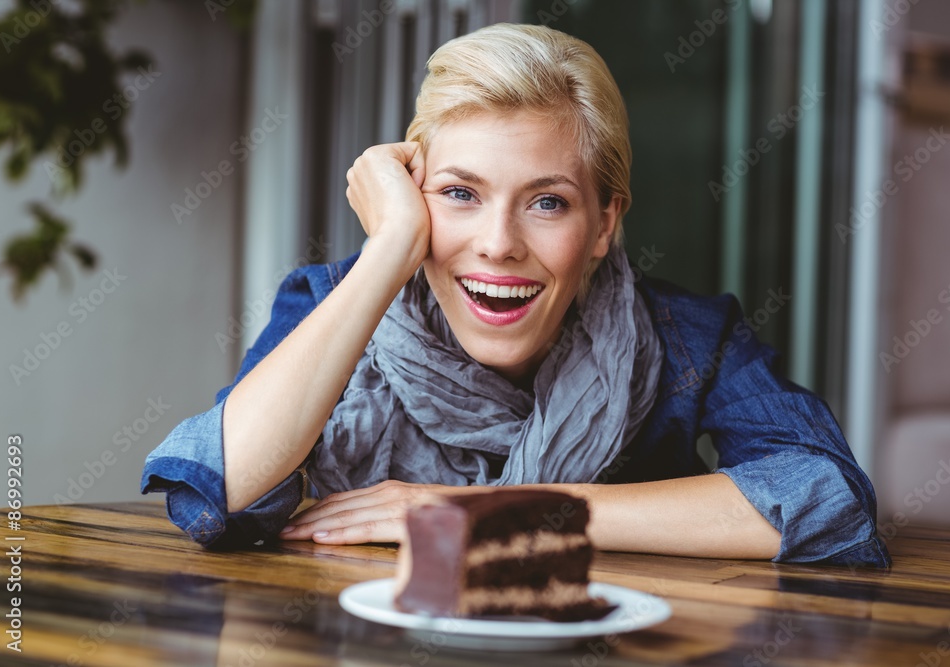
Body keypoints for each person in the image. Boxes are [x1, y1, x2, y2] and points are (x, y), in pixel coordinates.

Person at [141, 23, 890, 568]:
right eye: (459, 193)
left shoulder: (686, 337)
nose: (498, 242)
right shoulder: (330, 301)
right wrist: (388, 253)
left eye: (547, 202)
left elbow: (824, 498)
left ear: (604, 223)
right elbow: (223, 497)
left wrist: (490, 513)